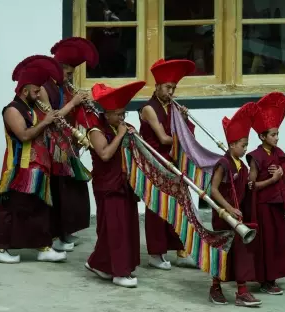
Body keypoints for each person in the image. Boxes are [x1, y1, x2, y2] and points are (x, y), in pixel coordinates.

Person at [0, 59, 66, 264]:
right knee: (12, 209)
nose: (40, 93)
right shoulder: (12, 109)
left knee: (38, 209)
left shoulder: (31, 109)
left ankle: (43, 247)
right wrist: (46, 121)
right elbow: (23, 135)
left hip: (36, 168)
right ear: (24, 90)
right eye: (36, 89)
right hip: (18, 169)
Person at [84, 81, 145, 288]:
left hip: (125, 184)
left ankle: (99, 264)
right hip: (107, 185)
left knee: (124, 227)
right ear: (107, 113)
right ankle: (120, 273)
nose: (121, 118)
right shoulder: (95, 130)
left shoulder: (124, 128)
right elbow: (105, 154)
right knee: (113, 229)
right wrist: (120, 135)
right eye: (118, 114)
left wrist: (134, 137)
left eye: (124, 114)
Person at [138, 58, 197, 269]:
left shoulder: (173, 107)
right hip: (156, 163)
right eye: (167, 87)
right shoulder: (149, 109)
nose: (171, 92)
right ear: (157, 87)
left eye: (173, 88)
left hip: (174, 163)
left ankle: (182, 251)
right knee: (157, 207)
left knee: (181, 205)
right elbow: (163, 139)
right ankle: (156, 253)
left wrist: (183, 119)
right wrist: (180, 130)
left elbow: (187, 134)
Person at [46, 37, 99, 251]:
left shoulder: (65, 87)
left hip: (69, 146)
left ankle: (67, 232)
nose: (69, 78)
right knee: (59, 192)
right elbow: (53, 117)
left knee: (72, 193)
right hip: (54, 146)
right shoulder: (44, 87)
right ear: (58, 68)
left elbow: (73, 112)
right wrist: (74, 102)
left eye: (71, 74)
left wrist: (84, 103)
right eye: (67, 73)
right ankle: (56, 235)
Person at [209, 102, 262, 307]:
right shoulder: (223, 163)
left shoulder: (242, 165)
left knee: (241, 252)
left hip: (237, 216)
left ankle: (242, 291)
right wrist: (228, 209)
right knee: (223, 251)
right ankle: (215, 287)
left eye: (246, 145)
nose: (245, 149)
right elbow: (213, 189)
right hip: (223, 215)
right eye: (242, 145)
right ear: (231, 145)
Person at [246, 92, 285, 295]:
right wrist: (273, 179)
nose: (276, 137)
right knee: (266, 243)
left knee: (278, 241)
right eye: (273, 134)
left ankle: (273, 277)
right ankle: (265, 281)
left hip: (277, 204)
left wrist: (283, 173)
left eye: (277, 134)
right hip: (263, 206)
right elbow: (252, 185)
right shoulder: (255, 157)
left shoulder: (279, 154)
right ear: (262, 136)